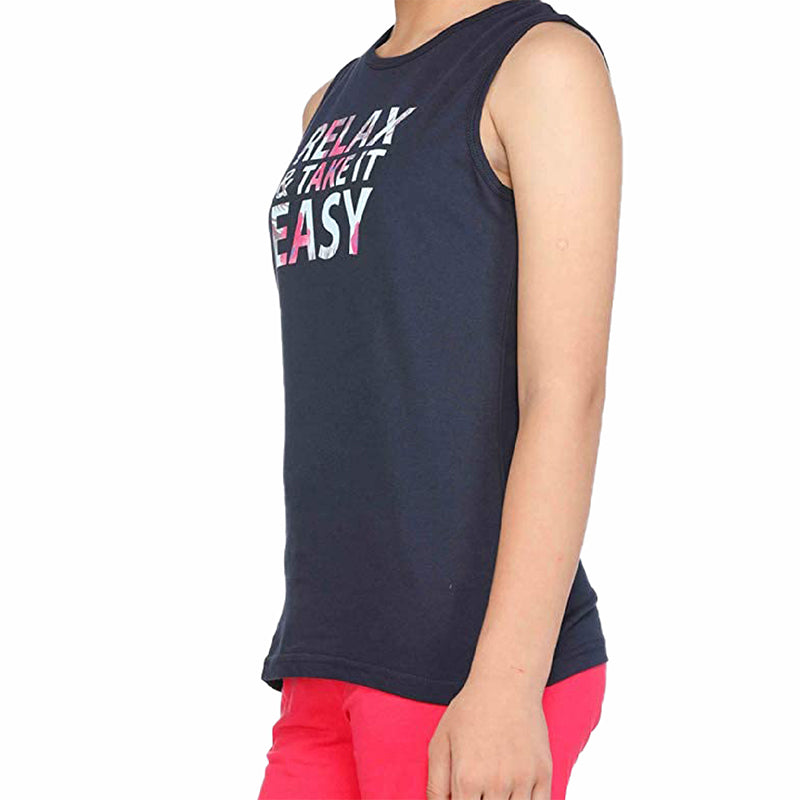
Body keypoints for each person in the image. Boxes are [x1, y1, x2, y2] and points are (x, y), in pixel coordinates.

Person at [260, 0, 621, 797]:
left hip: (467, 673)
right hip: (326, 657)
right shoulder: (330, 104)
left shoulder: (542, 65)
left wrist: (507, 684)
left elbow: (565, 392)